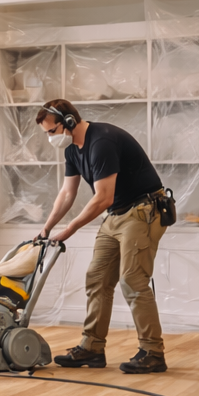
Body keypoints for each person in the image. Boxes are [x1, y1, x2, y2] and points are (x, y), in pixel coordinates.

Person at [35, 99, 172, 374]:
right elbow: (67, 193)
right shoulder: (72, 149)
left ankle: (153, 352)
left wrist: (70, 229)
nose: (50, 138)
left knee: (133, 280)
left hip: (144, 209)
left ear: (69, 122)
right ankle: (92, 348)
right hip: (117, 214)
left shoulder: (102, 142)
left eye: (52, 131)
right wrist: (47, 227)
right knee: (97, 278)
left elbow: (103, 197)